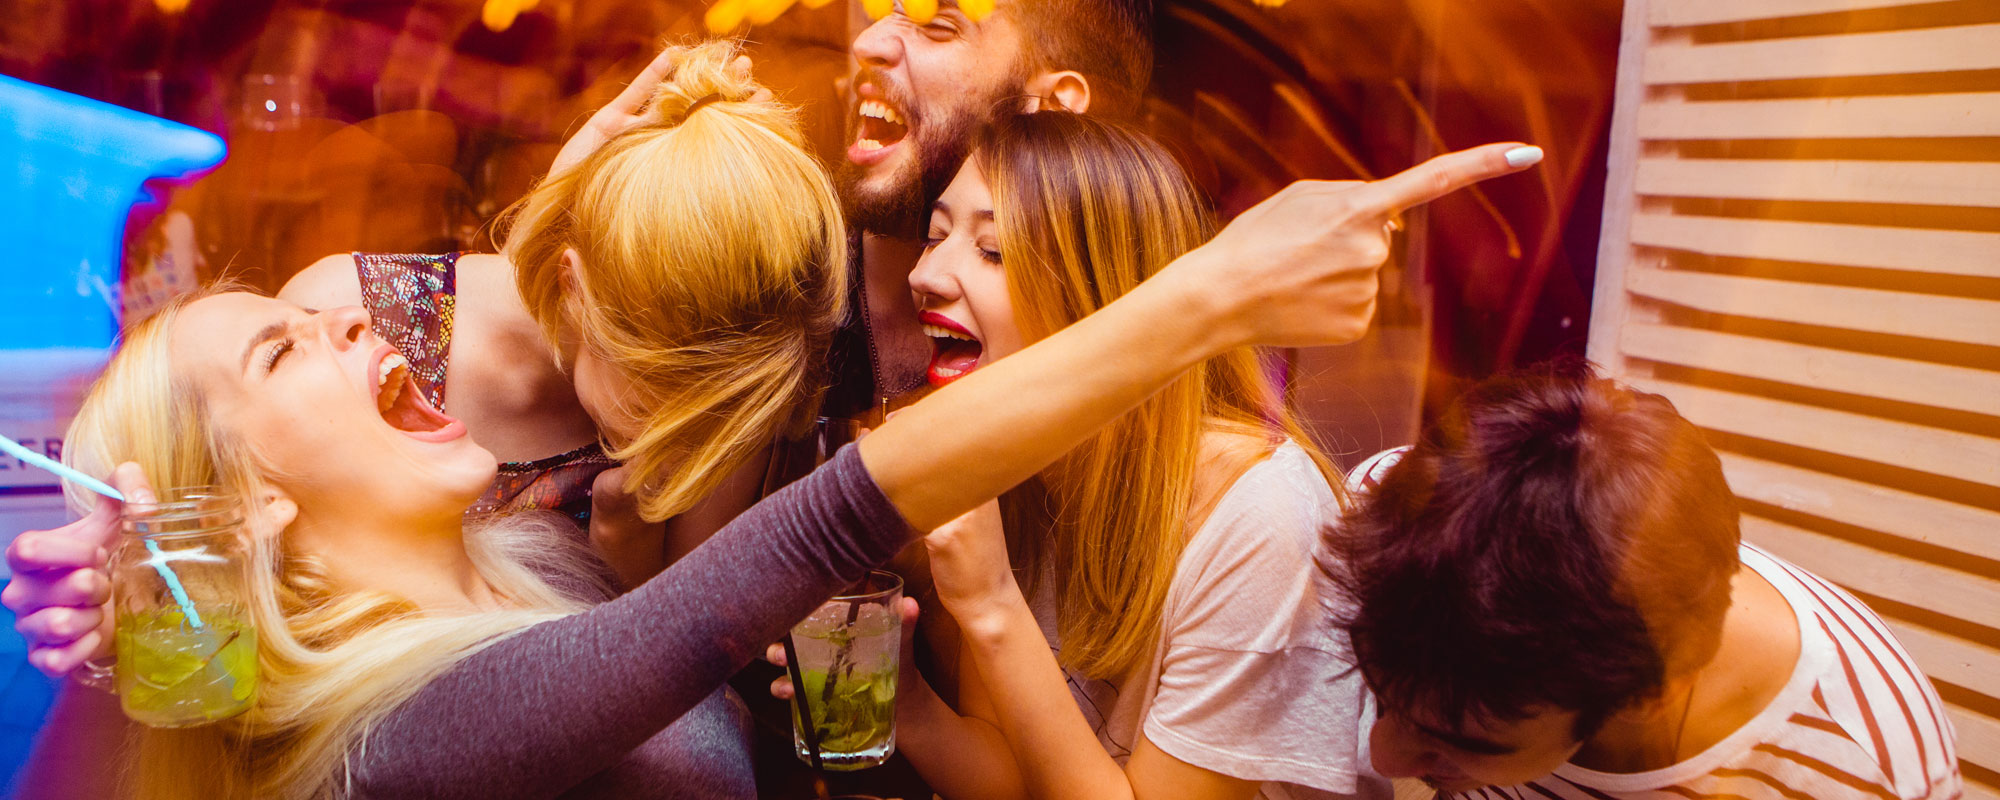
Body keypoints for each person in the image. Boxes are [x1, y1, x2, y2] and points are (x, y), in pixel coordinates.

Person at [2, 137, 1544, 797]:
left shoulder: (525, 556)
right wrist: (1216, 291)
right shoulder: (409, 734)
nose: (351, 317)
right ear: (245, 503)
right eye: (287, 349)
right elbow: (825, 521)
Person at [786, 111, 1383, 800]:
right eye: (936, 236)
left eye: (993, 250)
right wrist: (905, 698)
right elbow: (1010, 777)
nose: (926, 274)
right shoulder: (1009, 453)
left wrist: (990, 602)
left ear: (1106, 302)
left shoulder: (1260, 518)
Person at [1325, 362, 1962, 800]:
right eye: (1383, 694)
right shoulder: (1395, 510)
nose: (1383, 758)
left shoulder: (1862, 769)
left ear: (1648, 695)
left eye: (1461, 739)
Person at [826, 0, 1159, 416]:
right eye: (877, 13)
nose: (867, 43)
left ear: (1053, 105)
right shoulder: (781, 292)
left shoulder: (1124, 370)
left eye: (939, 27)